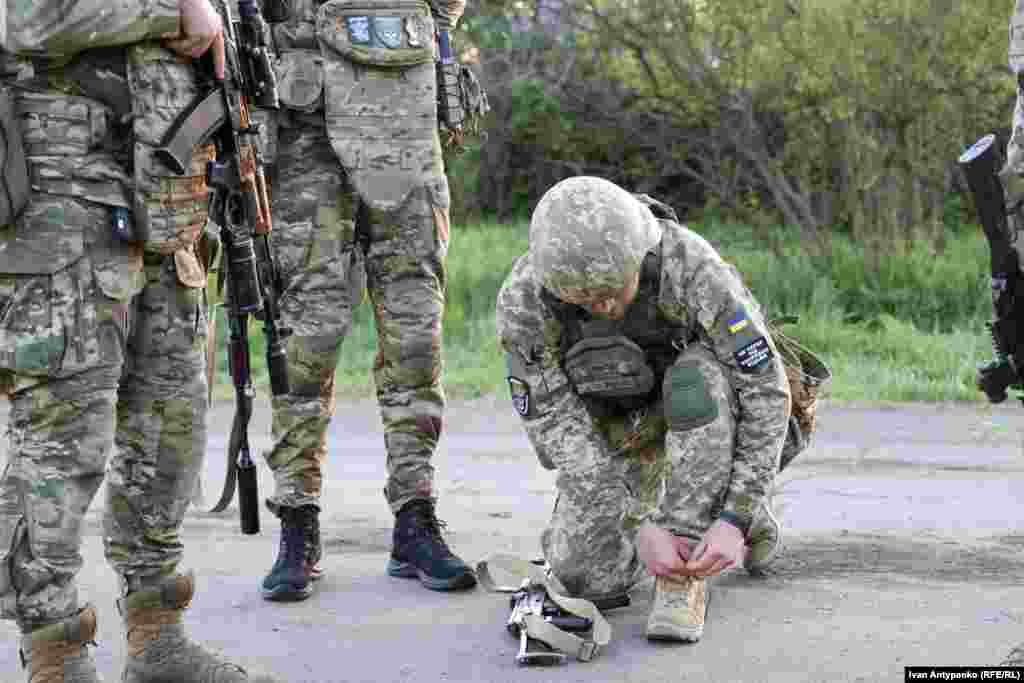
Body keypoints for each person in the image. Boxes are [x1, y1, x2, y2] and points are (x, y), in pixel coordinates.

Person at [0, 1, 278, 681]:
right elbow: (26, 16)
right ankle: (55, 654)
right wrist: (170, 9)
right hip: (62, 206)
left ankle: (158, 640)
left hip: (166, 201)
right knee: (63, 444)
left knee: (168, 433)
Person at [494, 176, 791, 642]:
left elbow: (766, 390)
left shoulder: (690, 266)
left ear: (641, 255)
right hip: (619, 429)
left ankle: (685, 566)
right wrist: (636, 526)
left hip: (704, 418)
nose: (607, 306)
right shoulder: (525, 301)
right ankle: (675, 521)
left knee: (696, 380)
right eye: (587, 301)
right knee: (585, 579)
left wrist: (735, 516)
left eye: (617, 288)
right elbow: (555, 424)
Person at [257, 0, 476, 601]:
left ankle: (415, 517)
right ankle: (297, 519)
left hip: (404, 114)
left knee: (415, 333)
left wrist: (430, 31)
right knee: (307, 337)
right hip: (305, 128)